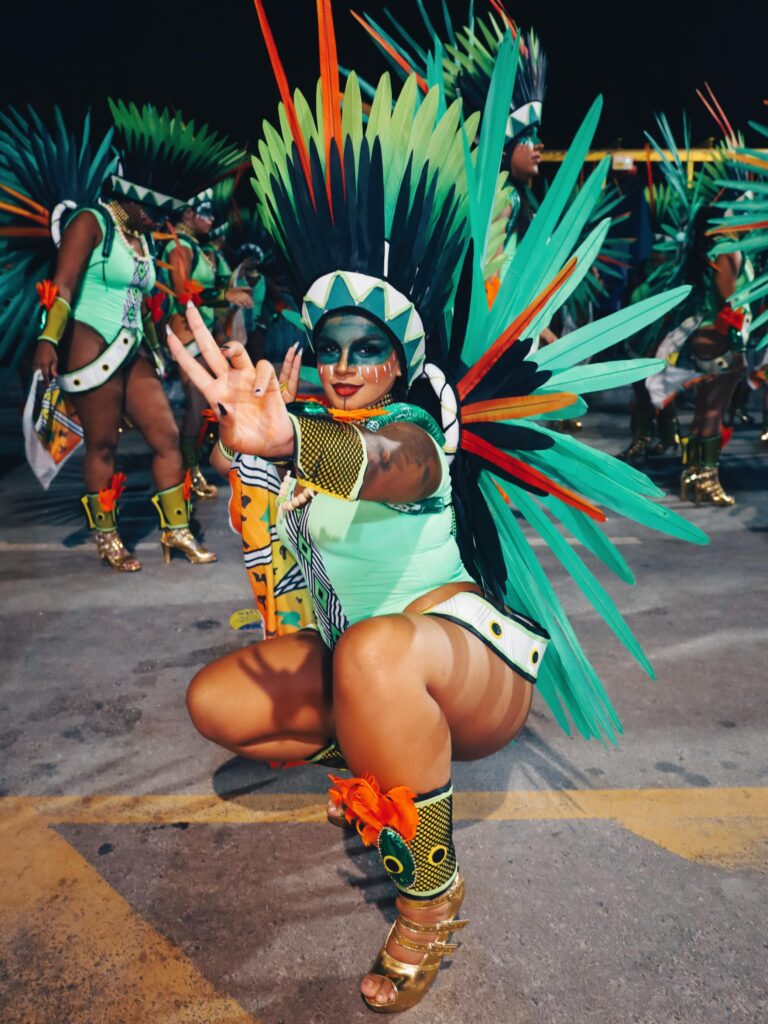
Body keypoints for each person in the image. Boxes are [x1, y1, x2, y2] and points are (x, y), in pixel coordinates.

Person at [174, 3, 705, 1012]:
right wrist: (256, 488)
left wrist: (292, 441)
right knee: (221, 698)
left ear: (401, 360)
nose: (340, 366)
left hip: (467, 663)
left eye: (364, 348)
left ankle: (430, 896)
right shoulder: (294, 441)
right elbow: (294, 607)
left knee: (374, 652)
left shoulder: (422, 430)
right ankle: (376, 738)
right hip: (365, 650)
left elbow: (384, 466)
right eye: (326, 348)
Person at [0, 101, 221, 568]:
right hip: (89, 346)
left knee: (164, 435)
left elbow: (144, 302)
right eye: (153, 211)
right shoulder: (91, 221)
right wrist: (46, 339)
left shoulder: (139, 237)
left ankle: (175, 531)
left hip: (133, 349)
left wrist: (161, 350)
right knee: (103, 445)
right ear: (132, 196)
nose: (159, 221)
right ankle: (108, 539)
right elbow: (62, 284)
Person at [161, 185, 254, 499]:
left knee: (211, 406)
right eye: (206, 213)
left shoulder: (198, 248)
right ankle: (188, 471)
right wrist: (226, 295)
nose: (212, 219)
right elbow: (183, 294)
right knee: (198, 404)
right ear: (188, 214)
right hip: (186, 336)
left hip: (205, 334)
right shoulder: (178, 247)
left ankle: (195, 464)